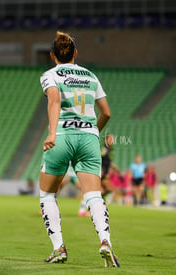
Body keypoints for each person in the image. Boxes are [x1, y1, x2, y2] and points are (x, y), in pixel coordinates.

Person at [38, 31, 119, 267]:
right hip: (88, 139)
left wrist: (52, 133)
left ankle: (58, 248)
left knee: (47, 194)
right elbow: (107, 112)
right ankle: (105, 242)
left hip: (62, 136)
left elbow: (54, 100)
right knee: (93, 194)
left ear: (53, 55)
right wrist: (94, 131)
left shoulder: (50, 75)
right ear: (76, 53)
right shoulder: (91, 76)